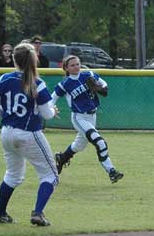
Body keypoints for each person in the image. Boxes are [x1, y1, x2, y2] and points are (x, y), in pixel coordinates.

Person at [0, 43, 59, 226]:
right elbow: (46, 114)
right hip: (28, 133)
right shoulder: (37, 83)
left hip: (6, 132)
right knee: (50, 175)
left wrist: (9, 118)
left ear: (14, 59)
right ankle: (38, 213)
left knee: (13, 175)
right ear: (34, 59)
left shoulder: (4, 79)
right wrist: (53, 109)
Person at [51, 55, 124, 183]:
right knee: (99, 142)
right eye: (72, 65)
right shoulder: (65, 84)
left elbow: (104, 86)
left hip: (92, 116)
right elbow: (52, 98)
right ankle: (112, 171)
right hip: (79, 117)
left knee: (79, 145)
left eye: (78, 64)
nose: (76, 67)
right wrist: (51, 109)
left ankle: (62, 158)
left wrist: (100, 88)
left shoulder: (88, 75)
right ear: (66, 68)